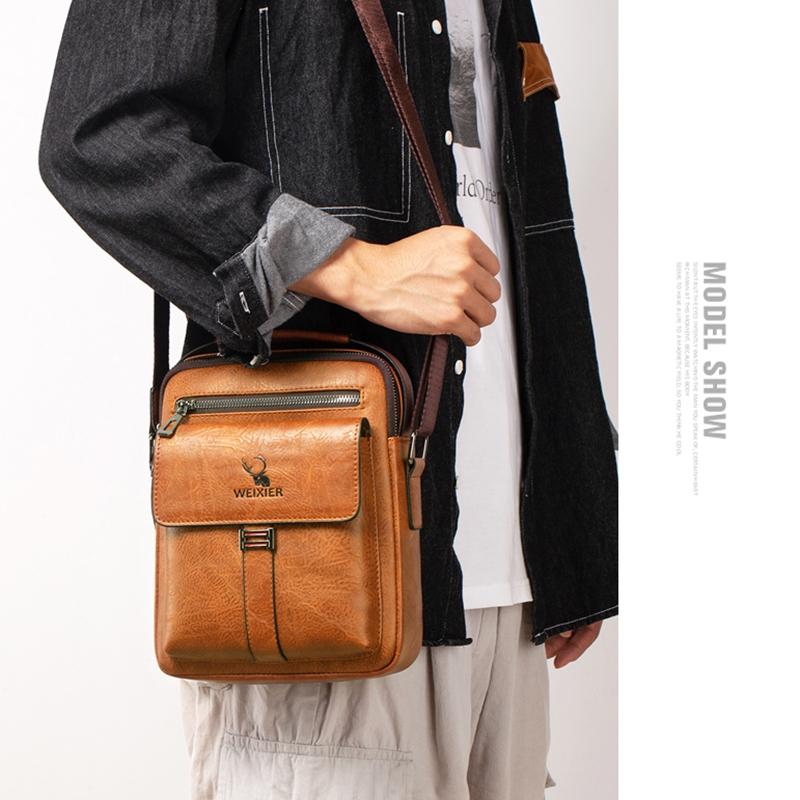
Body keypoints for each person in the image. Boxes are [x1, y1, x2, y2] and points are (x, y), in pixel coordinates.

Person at [39, 1, 618, 797]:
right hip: (322, 559)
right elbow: (100, 137)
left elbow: (522, 221)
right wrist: (353, 268)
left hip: (509, 576)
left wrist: (574, 522)